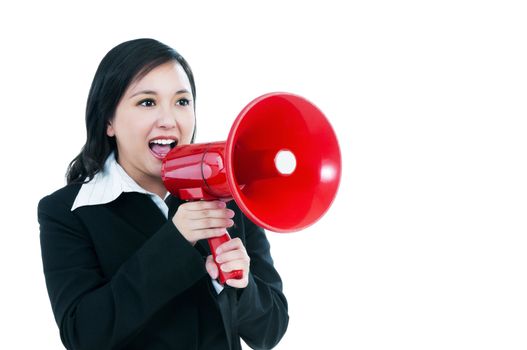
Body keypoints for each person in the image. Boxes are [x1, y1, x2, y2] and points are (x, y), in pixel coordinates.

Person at [38, 38, 289, 350]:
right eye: (147, 102)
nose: (169, 120)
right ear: (108, 122)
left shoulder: (229, 194)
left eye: (182, 102)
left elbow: (271, 330)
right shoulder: (67, 212)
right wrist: (175, 241)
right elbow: (83, 335)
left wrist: (242, 284)